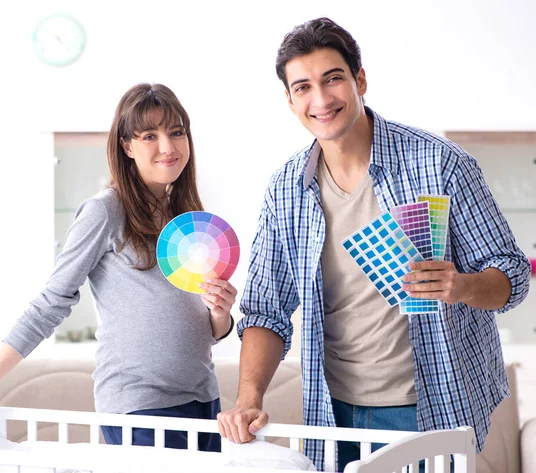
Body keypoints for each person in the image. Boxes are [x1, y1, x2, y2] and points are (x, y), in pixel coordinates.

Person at [216, 17, 530, 471]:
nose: (321, 100)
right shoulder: (286, 189)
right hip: (334, 410)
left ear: (360, 80)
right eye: (303, 87)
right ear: (289, 100)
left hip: (430, 403)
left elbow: (512, 276)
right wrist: (248, 399)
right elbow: (266, 309)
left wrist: (460, 286)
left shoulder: (439, 163)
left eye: (333, 79)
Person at [0, 83, 237, 452]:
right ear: (127, 146)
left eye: (177, 132)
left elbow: (206, 329)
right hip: (140, 405)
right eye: (150, 135)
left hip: (203, 398)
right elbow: (50, 304)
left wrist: (220, 314)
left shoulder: (187, 216)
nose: (168, 146)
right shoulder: (105, 211)